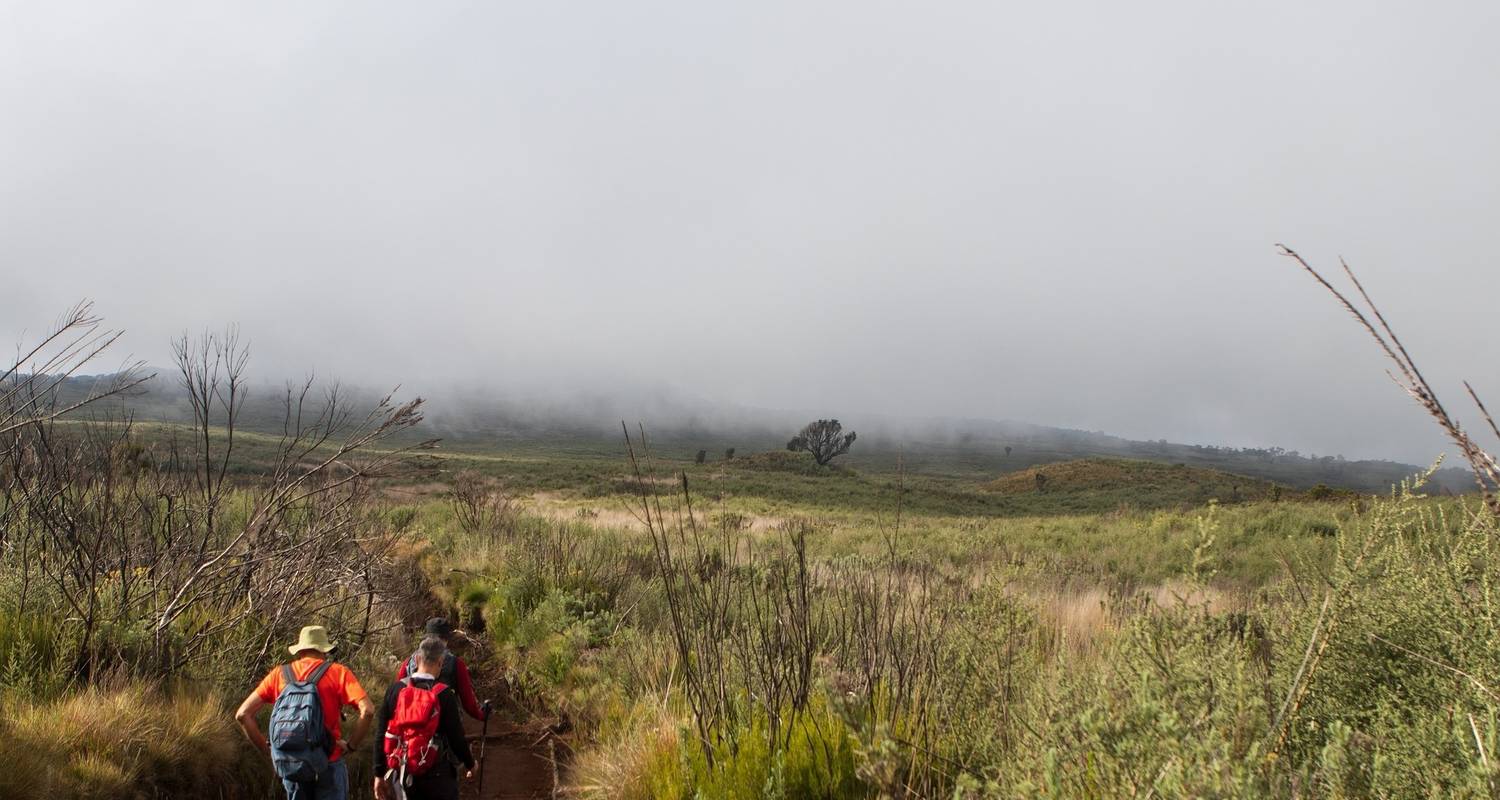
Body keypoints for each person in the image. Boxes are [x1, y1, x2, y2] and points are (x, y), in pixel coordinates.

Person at [235, 625, 376, 800]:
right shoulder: (338, 673)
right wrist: (351, 745)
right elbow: (368, 710)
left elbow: (243, 714)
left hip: (292, 764)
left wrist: (269, 751)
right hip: (329, 762)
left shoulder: (279, 674)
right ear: (324, 651)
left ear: (300, 650)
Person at [373, 636, 476, 800]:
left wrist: (378, 773)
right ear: (440, 662)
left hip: (402, 772)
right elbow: (456, 737)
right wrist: (470, 763)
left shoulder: (395, 690)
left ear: (417, 658)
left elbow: (381, 734)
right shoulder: (444, 694)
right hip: (437, 774)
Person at [394, 617, 488, 721]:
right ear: (446, 639)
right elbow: (468, 703)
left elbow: (397, 696)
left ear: (426, 638)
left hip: (414, 723)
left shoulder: (408, 663)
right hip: (446, 726)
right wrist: (482, 715)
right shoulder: (456, 664)